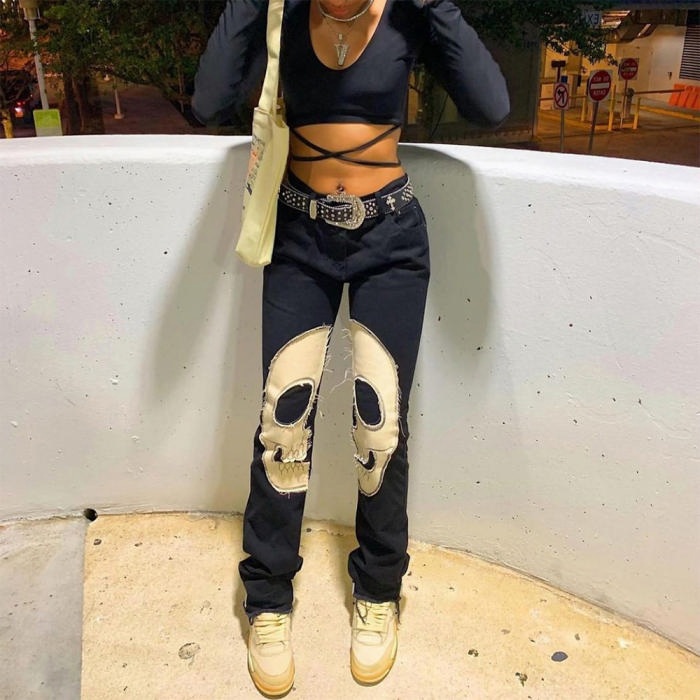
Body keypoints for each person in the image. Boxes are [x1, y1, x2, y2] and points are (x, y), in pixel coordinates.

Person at [192, 0, 509, 694]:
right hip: (298, 237)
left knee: (379, 426)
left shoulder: (405, 15)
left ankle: (379, 590)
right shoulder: (283, 12)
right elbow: (209, 99)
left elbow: (491, 106)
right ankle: (268, 599)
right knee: (282, 423)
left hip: (390, 240)